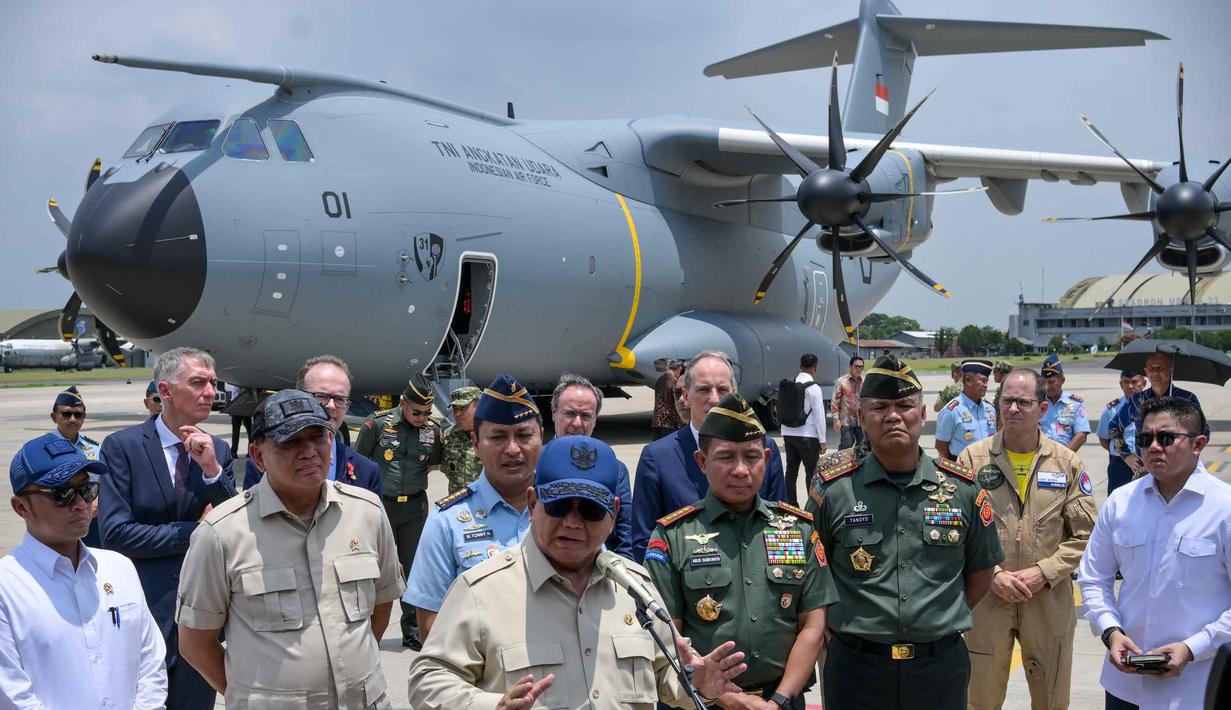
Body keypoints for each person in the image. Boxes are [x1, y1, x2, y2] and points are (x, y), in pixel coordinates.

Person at [407, 434, 750, 709]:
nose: (572, 522)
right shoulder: (481, 591)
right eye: (557, 506)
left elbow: (665, 677)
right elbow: (428, 681)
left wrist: (697, 683)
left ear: (613, 513)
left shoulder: (635, 589)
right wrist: (492, 705)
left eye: (590, 510)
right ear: (532, 503)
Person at [176, 390, 405, 709]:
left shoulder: (366, 512)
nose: (309, 451)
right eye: (291, 441)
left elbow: (381, 603)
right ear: (258, 456)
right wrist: (252, 698)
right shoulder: (222, 533)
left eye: (318, 437)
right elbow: (195, 643)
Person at [806, 354, 1004, 710]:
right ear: (862, 418)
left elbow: (981, 573)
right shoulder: (833, 493)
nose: (894, 415)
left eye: (905, 405)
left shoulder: (964, 491)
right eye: (880, 406)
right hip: (857, 667)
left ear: (924, 414)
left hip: (938, 666)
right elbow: (812, 577)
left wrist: (934, 618)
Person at [647, 393, 836, 709]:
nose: (740, 470)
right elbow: (667, 642)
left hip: (784, 699)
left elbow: (814, 625)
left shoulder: (797, 530)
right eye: (725, 457)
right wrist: (728, 698)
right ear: (702, 462)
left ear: (766, 458)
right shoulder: (673, 537)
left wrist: (778, 700)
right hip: (705, 702)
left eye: (751, 457)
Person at [97, 346, 237, 710]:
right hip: (144, 614)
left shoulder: (218, 450)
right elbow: (116, 534)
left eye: (212, 383)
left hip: (201, 621)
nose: (211, 392)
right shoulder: (122, 447)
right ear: (166, 390)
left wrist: (211, 471)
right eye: (198, 383)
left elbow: (235, 527)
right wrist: (195, 532)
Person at [1078, 396, 1231, 710]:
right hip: (1125, 687)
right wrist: (1111, 631)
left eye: (1167, 438)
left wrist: (1192, 648)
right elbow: (1093, 578)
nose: (1153, 447)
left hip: (1198, 686)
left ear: (1199, 443)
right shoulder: (1121, 503)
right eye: (1145, 438)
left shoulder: (1224, 509)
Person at [958, 368, 1097, 710]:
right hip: (986, 598)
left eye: (1023, 402)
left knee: (1051, 699)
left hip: (1047, 598)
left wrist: (1044, 572)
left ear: (1043, 409)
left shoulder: (1067, 464)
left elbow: (1085, 535)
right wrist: (994, 575)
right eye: (1007, 401)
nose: (1014, 409)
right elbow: (955, 534)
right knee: (979, 699)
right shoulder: (971, 461)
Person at [0, 434, 167, 709]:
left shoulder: (119, 568)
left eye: (87, 490)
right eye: (61, 494)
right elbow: (12, 696)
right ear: (21, 507)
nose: (80, 503)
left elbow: (150, 665)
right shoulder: (8, 587)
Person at [403, 374, 540, 643]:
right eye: (498, 437)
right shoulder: (446, 523)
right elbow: (430, 627)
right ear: (476, 444)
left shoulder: (567, 512)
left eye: (524, 435)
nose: (513, 449)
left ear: (541, 438)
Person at [632, 350, 788, 562]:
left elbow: (780, 527)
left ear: (734, 393)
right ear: (686, 396)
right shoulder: (658, 457)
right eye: (704, 390)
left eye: (722, 390)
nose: (714, 399)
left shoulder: (763, 449)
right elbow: (645, 541)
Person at [353, 372, 443, 650]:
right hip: (382, 506)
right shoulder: (377, 425)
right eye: (416, 411)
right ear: (403, 403)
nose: (421, 417)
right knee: (374, 568)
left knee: (414, 568)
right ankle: (364, 629)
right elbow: (360, 461)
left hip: (415, 507)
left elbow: (434, 460)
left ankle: (412, 630)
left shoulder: (433, 431)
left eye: (427, 412)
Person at [244, 355, 381, 495]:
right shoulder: (265, 462)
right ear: (297, 397)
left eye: (340, 399)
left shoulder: (367, 470)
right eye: (322, 396)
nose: (332, 406)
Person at [549, 372, 634, 559]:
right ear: (554, 412)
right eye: (569, 413)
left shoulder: (615, 469)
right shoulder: (535, 463)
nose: (577, 423)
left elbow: (625, 537)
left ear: (595, 419)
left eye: (586, 416)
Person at [1108, 352, 1204, 480]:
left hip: (1181, 468)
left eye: (1159, 368)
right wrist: (1126, 455)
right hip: (1147, 469)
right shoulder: (1137, 401)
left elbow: (1203, 431)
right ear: (1146, 371)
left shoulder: (1187, 399)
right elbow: (1114, 427)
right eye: (1151, 369)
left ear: (1170, 370)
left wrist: (1189, 457)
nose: (1154, 373)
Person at [781, 352, 828, 506]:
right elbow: (820, 416)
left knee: (791, 472)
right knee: (812, 474)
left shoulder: (790, 384)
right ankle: (811, 507)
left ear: (800, 366)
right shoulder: (814, 388)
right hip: (808, 436)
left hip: (788, 433)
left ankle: (791, 506)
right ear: (816, 368)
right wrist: (823, 440)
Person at [934, 359, 997, 461]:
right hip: (961, 468)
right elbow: (941, 445)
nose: (986, 385)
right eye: (983, 381)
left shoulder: (990, 408)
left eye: (987, 381)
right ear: (968, 380)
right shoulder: (952, 411)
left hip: (987, 466)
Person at [1097, 370, 1147, 494]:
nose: (1130, 386)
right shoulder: (1112, 409)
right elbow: (1105, 440)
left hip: (1147, 461)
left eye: (1134, 382)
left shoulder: (1154, 405)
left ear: (1144, 383)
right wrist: (1123, 453)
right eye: (1126, 382)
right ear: (1121, 384)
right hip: (1120, 463)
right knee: (1118, 503)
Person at [1038, 354, 1091, 452]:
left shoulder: (1075, 404)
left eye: (1051, 382)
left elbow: (1081, 435)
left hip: (1066, 457)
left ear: (1062, 380)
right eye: (1044, 383)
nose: (1048, 387)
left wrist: (1063, 457)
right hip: (1039, 457)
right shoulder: (1037, 403)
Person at [440, 385, 482, 493]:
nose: (458, 414)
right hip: (457, 503)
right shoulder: (449, 435)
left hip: (485, 502)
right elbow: (446, 469)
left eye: (463, 408)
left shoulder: (492, 435)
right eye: (455, 408)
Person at [50, 385, 100, 460]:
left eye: (78, 415)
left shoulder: (95, 448)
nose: (72, 419)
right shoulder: (41, 448)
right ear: (54, 417)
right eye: (66, 414)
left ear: (84, 418)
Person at [830, 354, 864, 450]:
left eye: (861, 367)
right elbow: (835, 401)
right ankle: (840, 462)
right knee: (847, 444)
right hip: (846, 421)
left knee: (862, 446)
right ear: (850, 367)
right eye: (856, 366)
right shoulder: (842, 381)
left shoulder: (865, 381)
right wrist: (836, 419)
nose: (859, 369)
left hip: (861, 421)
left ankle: (858, 464)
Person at [653, 359, 685, 440]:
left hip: (657, 419)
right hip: (670, 420)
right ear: (678, 369)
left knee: (658, 445)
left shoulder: (660, 379)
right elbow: (676, 400)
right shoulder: (674, 381)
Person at [991, 361, 1013, 431]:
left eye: (994, 371)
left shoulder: (1006, 389)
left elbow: (1003, 412)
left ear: (1000, 372)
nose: (993, 374)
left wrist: (999, 432)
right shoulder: (1003, 387)